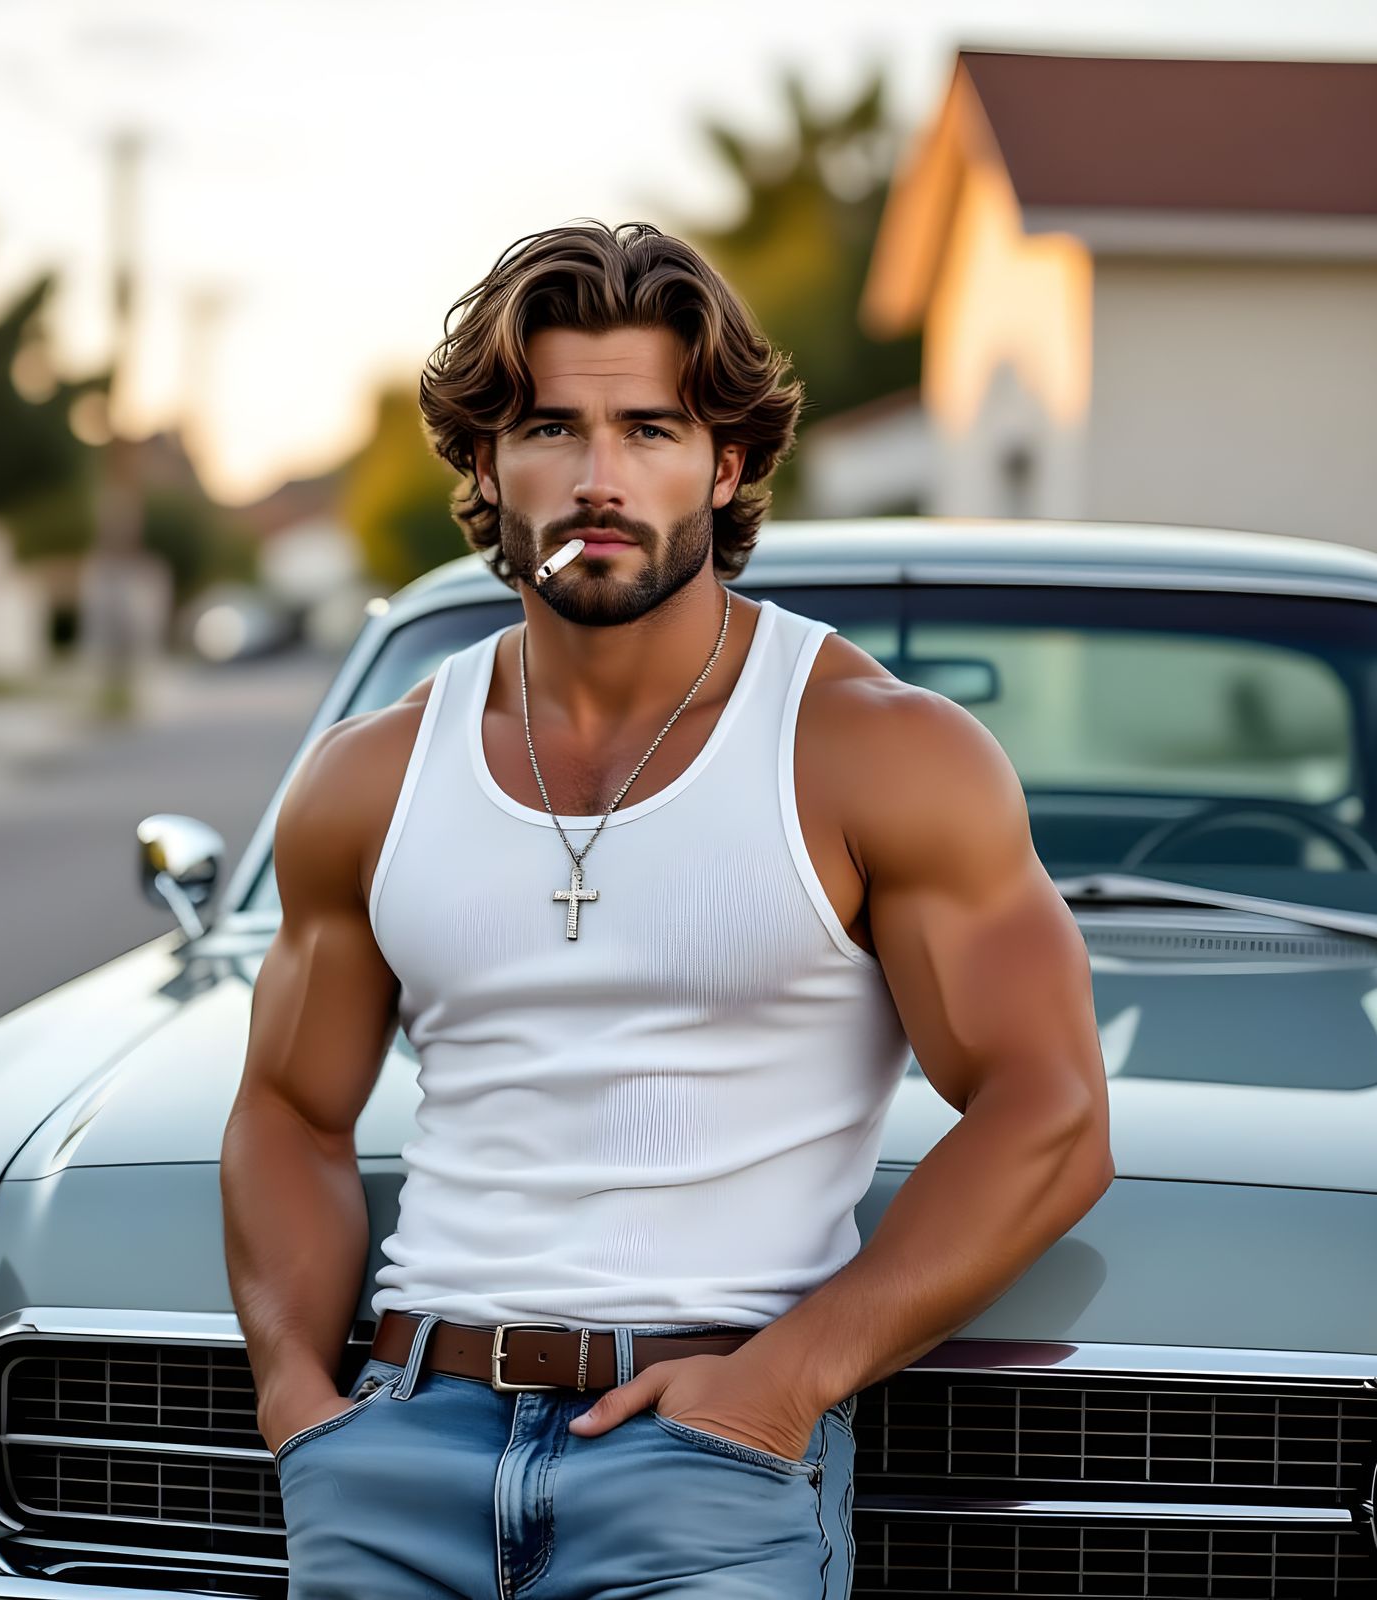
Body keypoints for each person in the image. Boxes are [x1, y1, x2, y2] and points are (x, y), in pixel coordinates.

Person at [220, 220, 1113, 1600]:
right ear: (481, 464)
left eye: (649, 429)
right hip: (399, 1442)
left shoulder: (875, 753)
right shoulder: (370, 777)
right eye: (548, 430)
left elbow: (1051, 1115)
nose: (597, 478)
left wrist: (781, 1388)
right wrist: (296, 1398)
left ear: (729, 461)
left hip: (707, 1456)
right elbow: (288, 1108)